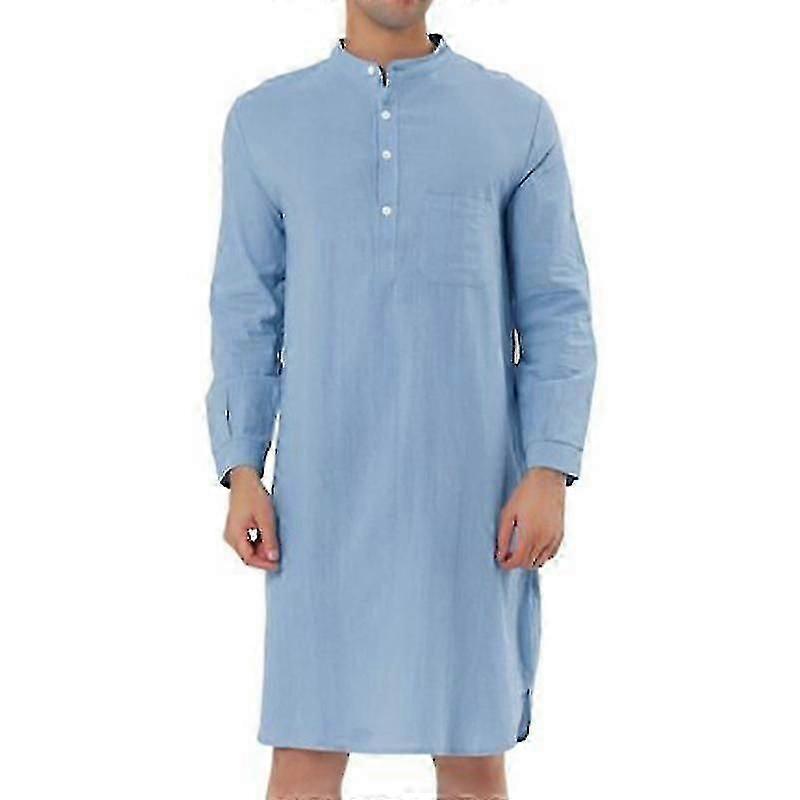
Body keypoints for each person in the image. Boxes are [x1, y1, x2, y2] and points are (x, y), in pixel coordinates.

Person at [206, 0, 596, 797]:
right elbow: (246, 314)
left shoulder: (513, 120)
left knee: (472, 751)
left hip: (469, 496)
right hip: (322, 499)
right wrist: (242, 468)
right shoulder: (265, 123)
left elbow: (556, 310)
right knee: (305, 753)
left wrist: (550, 469)